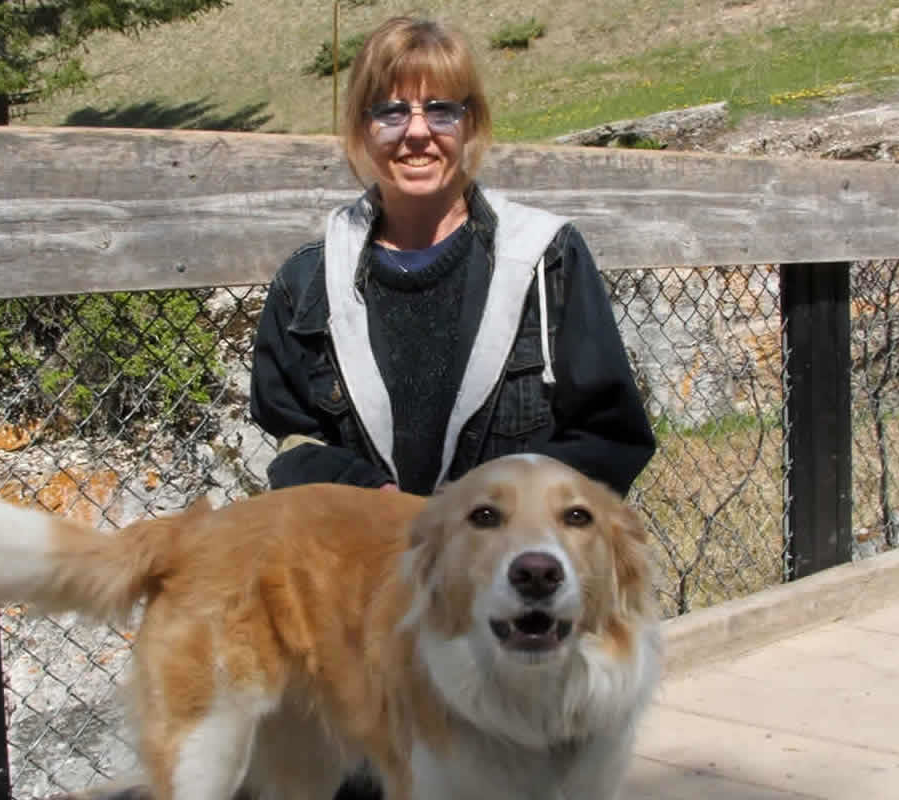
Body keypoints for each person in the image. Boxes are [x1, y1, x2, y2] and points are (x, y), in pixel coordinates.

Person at [246, 14, 657, 800]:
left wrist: (491, 523)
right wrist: (385, 510)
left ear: (472, 125)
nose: (417, 133)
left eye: (443, 109)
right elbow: (289, 437)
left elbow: (610, 436)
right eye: (390, 110)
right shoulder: (307, 282)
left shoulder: (549, 261)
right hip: (368, 624)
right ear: (361, 128)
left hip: (518, 634)